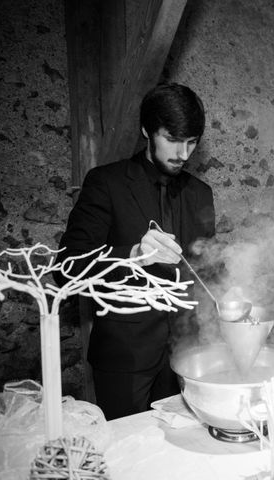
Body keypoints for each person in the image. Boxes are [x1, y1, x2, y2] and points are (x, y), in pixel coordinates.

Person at [54, 83, 215, 420]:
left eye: (191, 142)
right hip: (125, 357)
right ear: (146, 130)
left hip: (188, 355)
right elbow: (67, 267)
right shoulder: (106, 183)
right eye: (171, 139)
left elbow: (204, 268)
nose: (183, 154)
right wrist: (133, 254)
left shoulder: (201, 193)